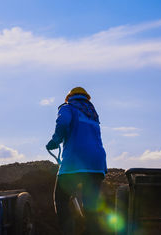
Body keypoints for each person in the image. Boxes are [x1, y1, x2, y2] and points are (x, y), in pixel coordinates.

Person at [46, 87, 107, 235]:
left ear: (69, 98)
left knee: (61, 200)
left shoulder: (68, 107)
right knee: (91, 207)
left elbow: (62, 123)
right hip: (97, 163)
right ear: (86, 98)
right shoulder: (92, 114)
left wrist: (55, 140)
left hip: (75, 162)